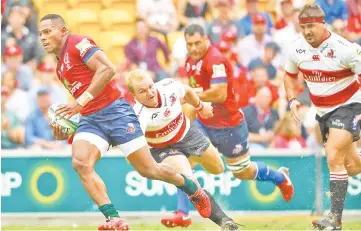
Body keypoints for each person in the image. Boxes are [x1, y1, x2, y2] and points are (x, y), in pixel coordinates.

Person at [38, 14, 212, 231]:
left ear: (62, 31)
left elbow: (107, 70)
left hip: (116, 112)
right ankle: (114, 219)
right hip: (91, 119)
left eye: (47, 32)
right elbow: (80, 105)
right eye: (40, 34)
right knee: (80, 163)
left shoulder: (77, 43)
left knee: (149, 170)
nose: (43, 38)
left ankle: (193, 189)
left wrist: (79, 103)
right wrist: (62, 132)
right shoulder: (59, 68)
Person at [164, 23, 295, 225]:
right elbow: (194, 97)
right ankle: (183, 212)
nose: (194, 47)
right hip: (205, 124)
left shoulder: (215, 59)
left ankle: (280, 178)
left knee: (243, 172)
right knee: (184, 161)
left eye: (198, 42)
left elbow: (219, 93)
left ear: (207, 40)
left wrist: (190, 97)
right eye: (189, 44)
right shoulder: (189, 62)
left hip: (230, 126)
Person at [127, 69, 240, 230]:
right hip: (163, 148)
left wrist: (200, 106)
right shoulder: (138, 116)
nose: (150, 93)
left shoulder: (168, 86)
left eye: (150, 87)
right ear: (134, 96)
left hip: (187, 134)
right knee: (189, 181)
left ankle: (189, 160)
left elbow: (187, 91)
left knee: (218, 168)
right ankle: (225, 222)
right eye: (142, 91)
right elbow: (133, 145)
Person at [283, 4, 361, 230]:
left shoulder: (345, 49)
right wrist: (293, 100)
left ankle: (334, 219)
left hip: (350, 106)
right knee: (350, 165)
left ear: (323, 24)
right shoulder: (296, 48)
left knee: (333, 152)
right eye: (303, 27)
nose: (307, 31)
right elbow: (289, 77)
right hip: (323, 112)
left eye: (311, 26)